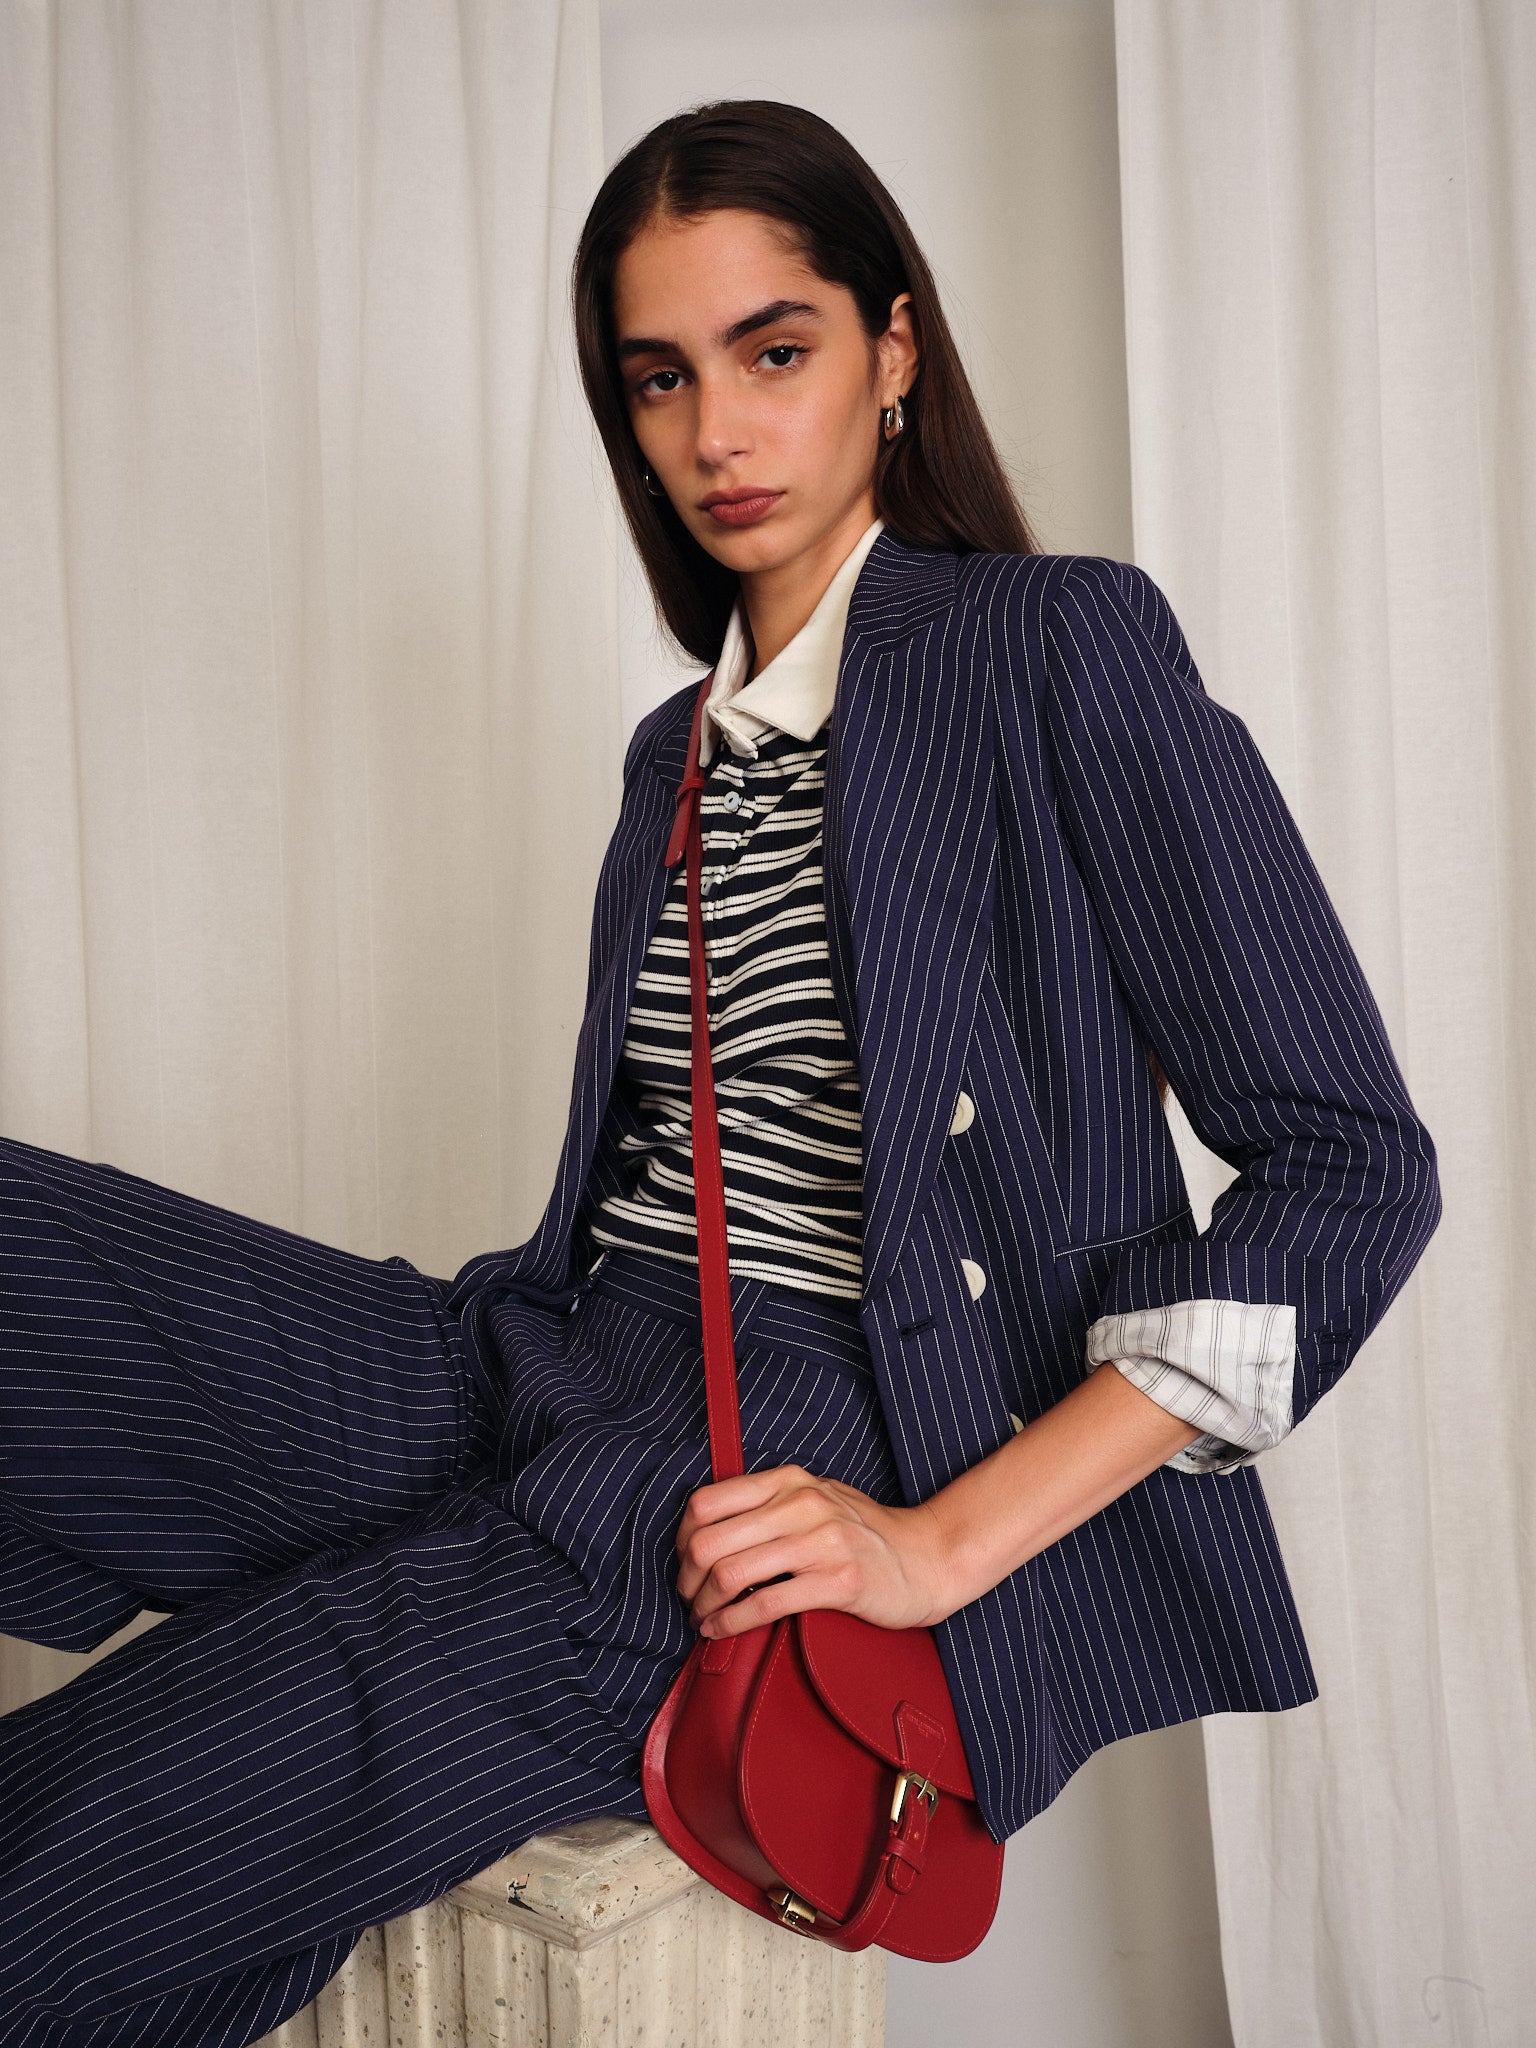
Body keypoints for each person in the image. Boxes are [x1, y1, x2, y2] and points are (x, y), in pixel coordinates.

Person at [0, 99, 1439, 2045]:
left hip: (775, 1459)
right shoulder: (669, 753)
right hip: (549, 1355)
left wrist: (932, 1546)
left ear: (893, 350)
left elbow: (1351, 1171)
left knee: (82, 1834)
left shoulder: (1051, 647)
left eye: (775, 351)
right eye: (661, 377)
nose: (716, 433)